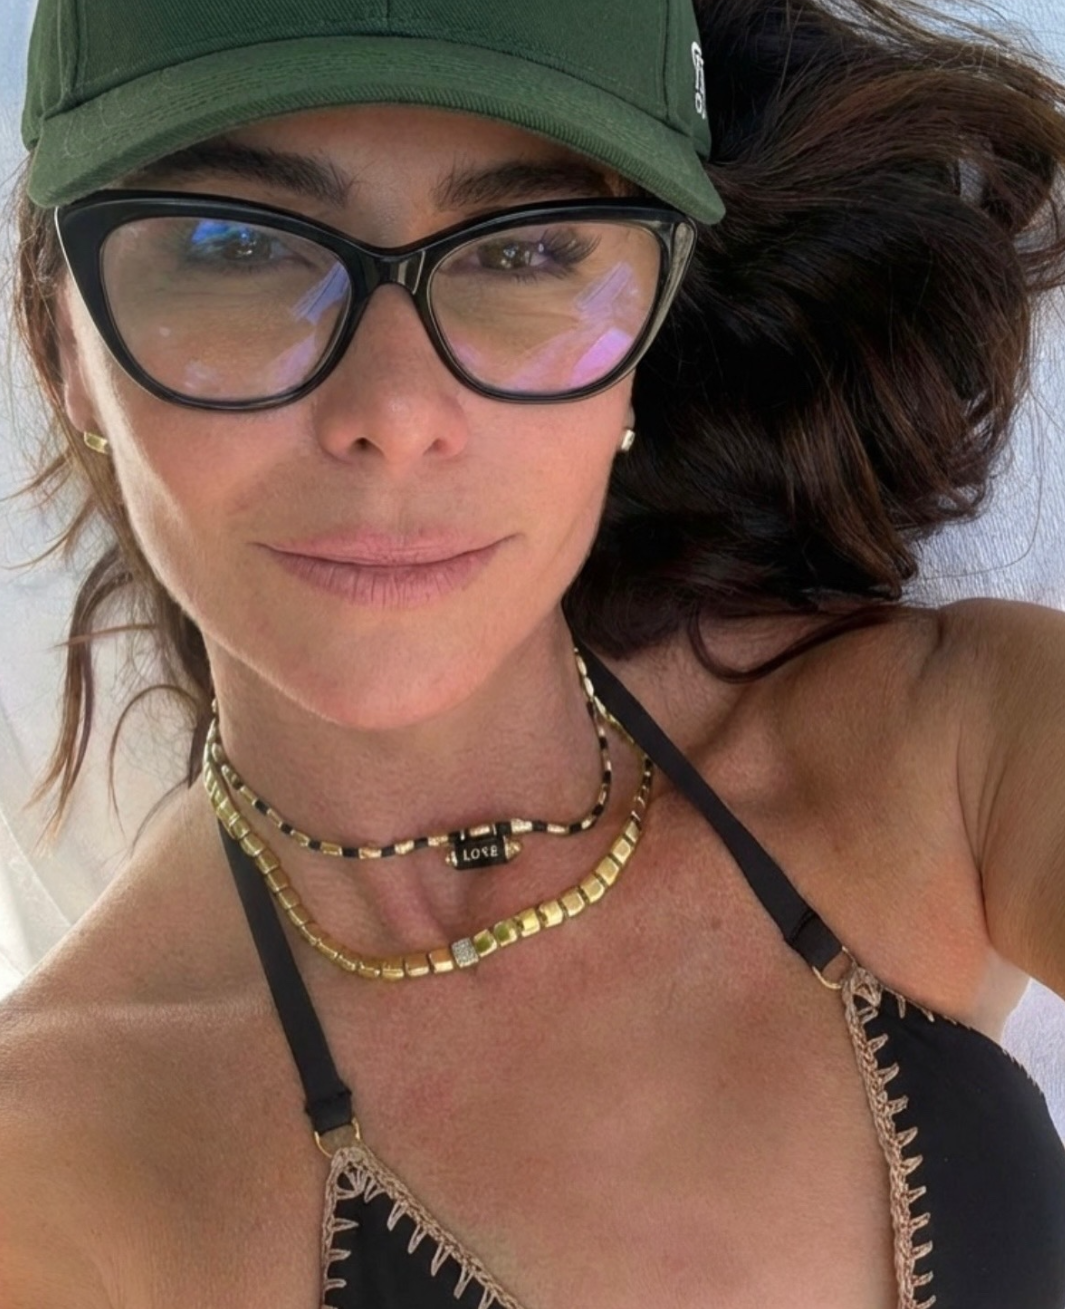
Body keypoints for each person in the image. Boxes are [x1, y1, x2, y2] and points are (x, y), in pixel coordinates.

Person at [2, 0, 1065, 1304]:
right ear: (62, 345)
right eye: (237, 246)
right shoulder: (51, 1166)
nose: (396, 413)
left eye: (529, 250)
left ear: (650, 326)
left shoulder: (958, 751)